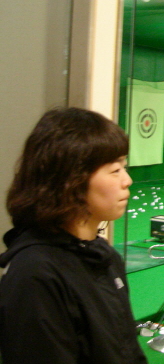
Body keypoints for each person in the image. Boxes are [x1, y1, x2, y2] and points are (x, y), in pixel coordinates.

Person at [0, 107, 147, 364]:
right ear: (72, 179)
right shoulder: (36, 275)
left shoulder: (104, 256)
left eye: (124, 167)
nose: (127, 181)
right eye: (115, 170)